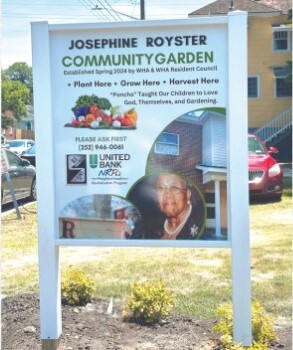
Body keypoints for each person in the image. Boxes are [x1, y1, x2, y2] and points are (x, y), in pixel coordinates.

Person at [154, 173, 201, 240]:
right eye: (161, 188)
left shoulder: (200, 227)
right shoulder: (151, 228)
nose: (167, 195)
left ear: (188, 194)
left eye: (174, 188)